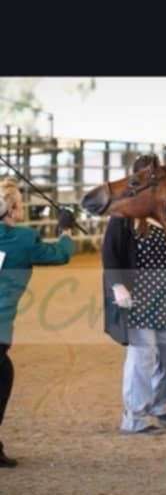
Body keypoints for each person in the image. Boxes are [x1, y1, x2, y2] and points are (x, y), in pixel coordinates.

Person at [101, 155, 166, 435]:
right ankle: (135, 417)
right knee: (142, 355)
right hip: (137, 296)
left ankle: (159, 405)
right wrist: (117, 285)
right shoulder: (125, 215)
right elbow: (110, 251)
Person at [0, 177, 75, 467]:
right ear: (13, 209)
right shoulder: (23, 239)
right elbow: (61, 254)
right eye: (18, 205)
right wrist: (65, 229)